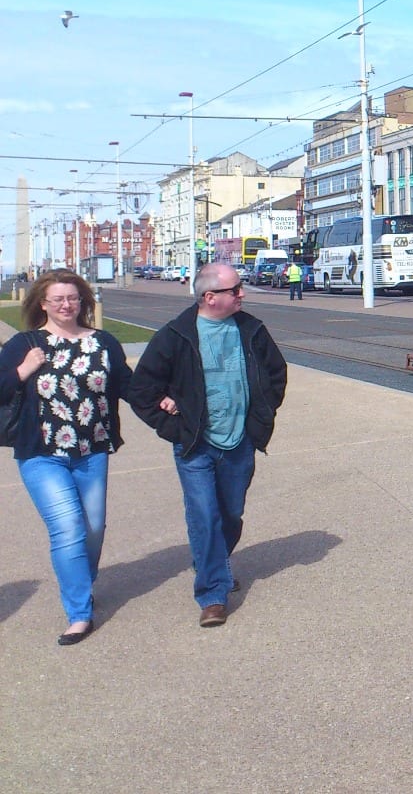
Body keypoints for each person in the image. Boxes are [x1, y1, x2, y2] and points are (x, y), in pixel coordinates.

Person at [130, 261, 288, 628]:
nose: (242, 294)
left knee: (230, 514)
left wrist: (260, 416)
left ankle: (210, 561)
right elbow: (142, 391)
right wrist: (173, 426)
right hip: (195, 445)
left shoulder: (252, 329)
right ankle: (213, 594)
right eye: (235, 289)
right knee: (205, 515)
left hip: (240, 441)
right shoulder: (175, 335)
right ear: (210, 297)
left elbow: (276, 374)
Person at [0, 269, 134, 645]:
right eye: (58, 299)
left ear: (83, 302)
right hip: (42, 454)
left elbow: (129, 385)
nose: (66, 304)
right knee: (68, 528)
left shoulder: (103, 342)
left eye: (73, 298)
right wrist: (23, 370)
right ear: (43, 304)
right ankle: (79, 614)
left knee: (93, 530)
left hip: (93, 451)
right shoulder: (25, 343)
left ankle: (81, 584)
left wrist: (168, 402)